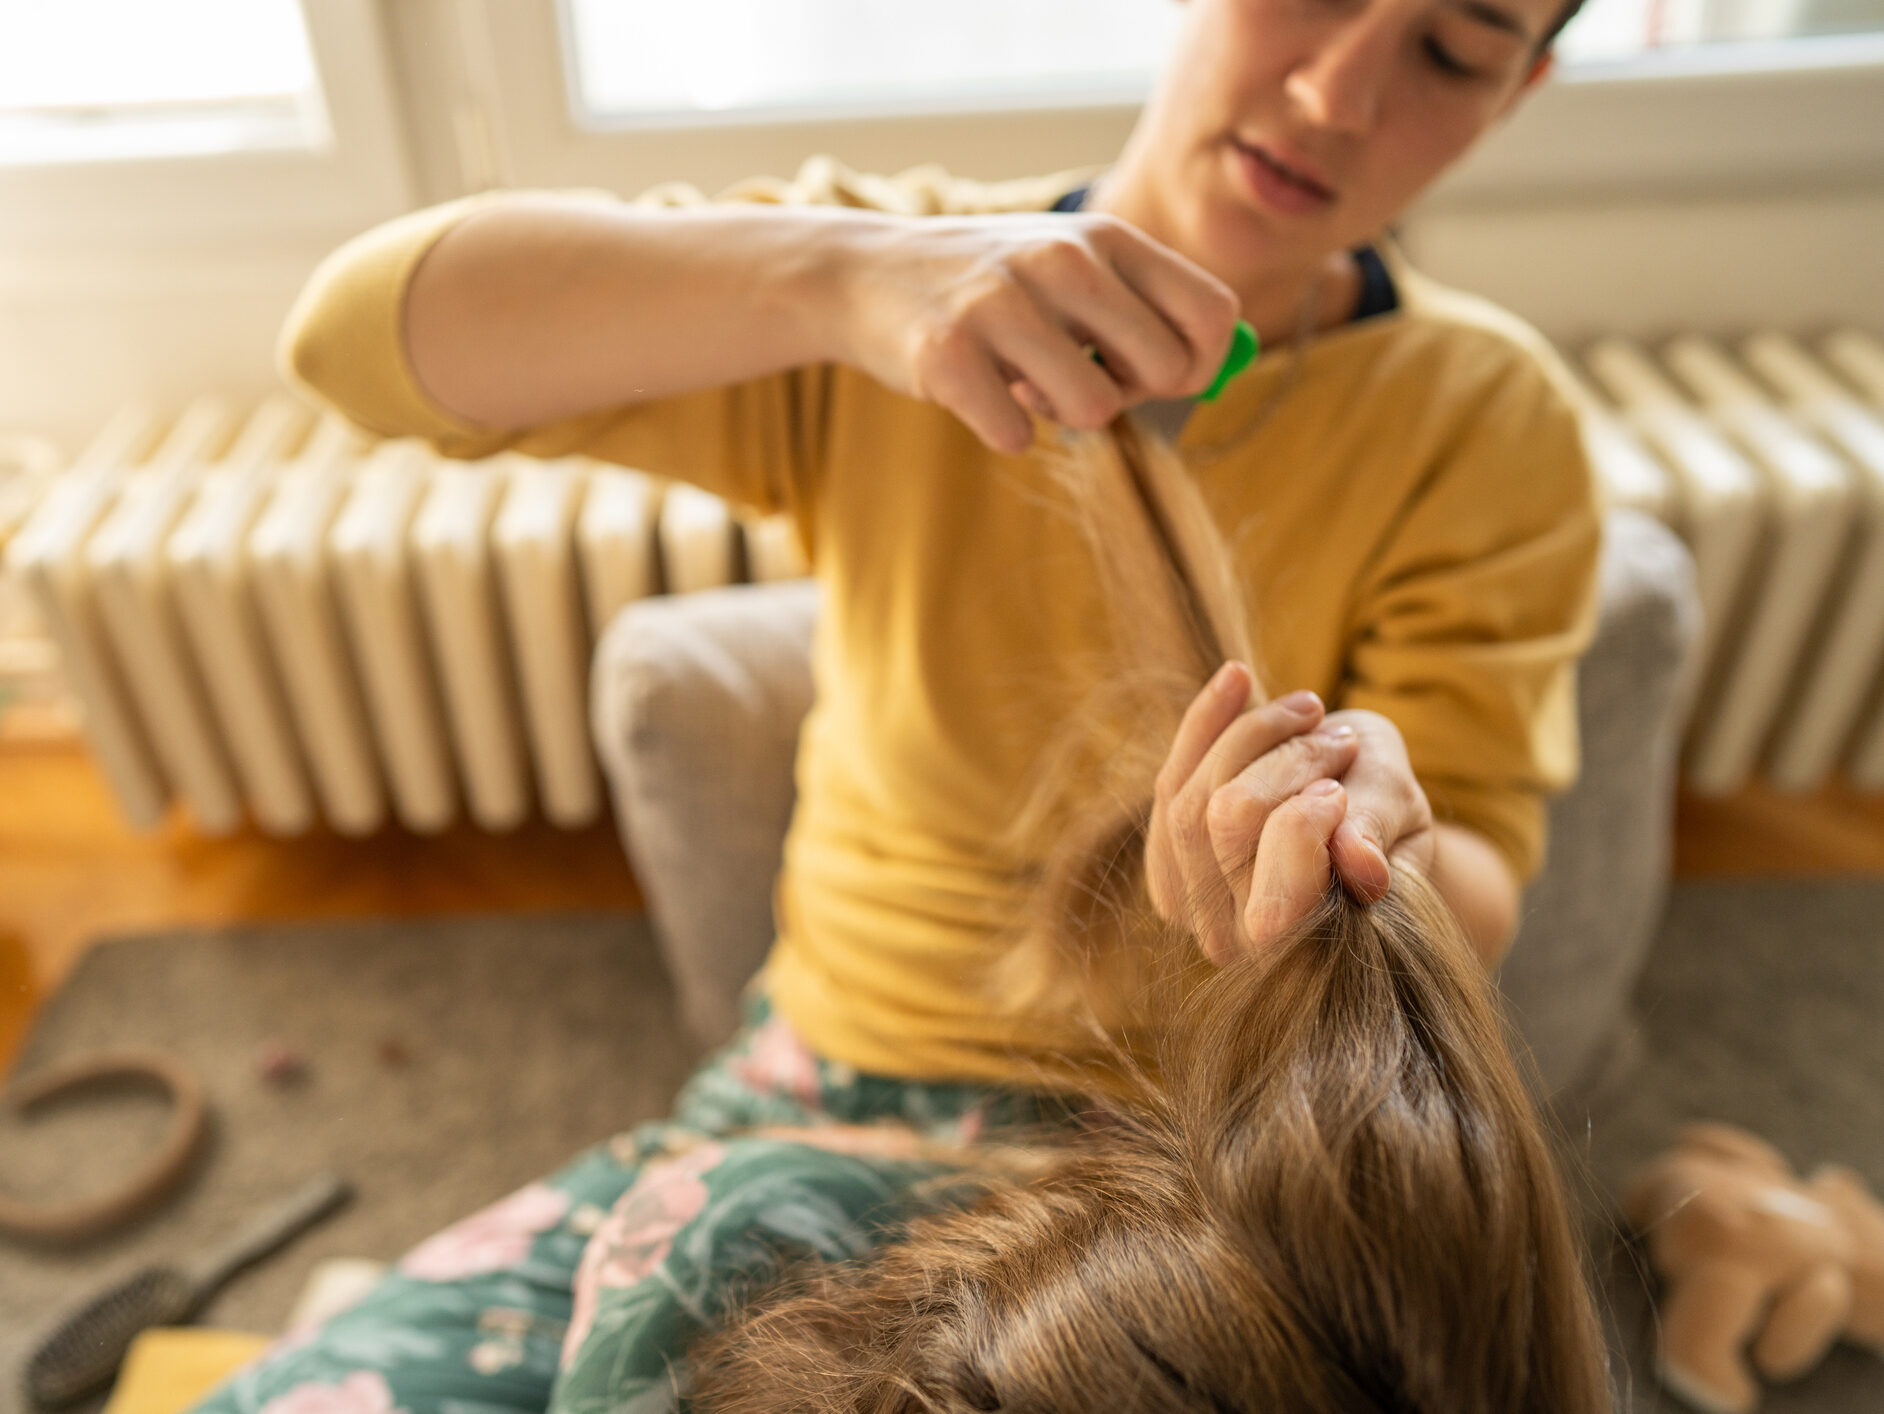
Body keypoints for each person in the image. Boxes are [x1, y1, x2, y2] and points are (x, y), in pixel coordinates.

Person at [188, 0, 1608, 1407]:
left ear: (1521, 88)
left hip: (1196, 1161)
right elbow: (357, 338)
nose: (1335, 95)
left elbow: (1472, 868)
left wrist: (1363, 857)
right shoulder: (901, 290)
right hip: (815, 1090)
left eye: (1451, 48)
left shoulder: (1486, 419)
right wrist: (832, 276)